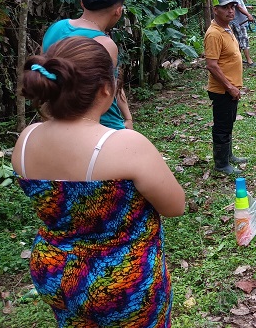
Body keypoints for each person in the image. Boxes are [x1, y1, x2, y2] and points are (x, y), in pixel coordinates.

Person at [13, 36, 185, 327]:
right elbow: (175, 206)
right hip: (121, 281)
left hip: (54, 272)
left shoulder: (26, 140)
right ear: (106, 89)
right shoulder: (124, 144)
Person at [42, 0, 133, 130]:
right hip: (101, 125)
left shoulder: (56, 28)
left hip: (58, 120)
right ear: (118, 11)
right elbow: (109, 89)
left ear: (82, 3)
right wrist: (127, 120)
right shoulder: (104, 43)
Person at [205, 0, 248, 174]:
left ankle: (228, 155)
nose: (231, 11)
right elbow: (212, 65)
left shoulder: (227, 28)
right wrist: (229, 87)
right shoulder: (214, 34)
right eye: (225, 8)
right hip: (222, 89)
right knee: (222, 126)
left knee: (229, 122)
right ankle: (221, 164)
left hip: (231, 88)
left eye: (232, 7)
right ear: (215, 10)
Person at [229, 0, 256, 66]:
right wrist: (248, 15)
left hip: (236, 22)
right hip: (239, 22)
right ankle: (249, 61)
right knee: (244, 40)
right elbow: (239, 7)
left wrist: (247, 7)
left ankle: (238, 59)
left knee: (238, 40)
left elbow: (237, 6)